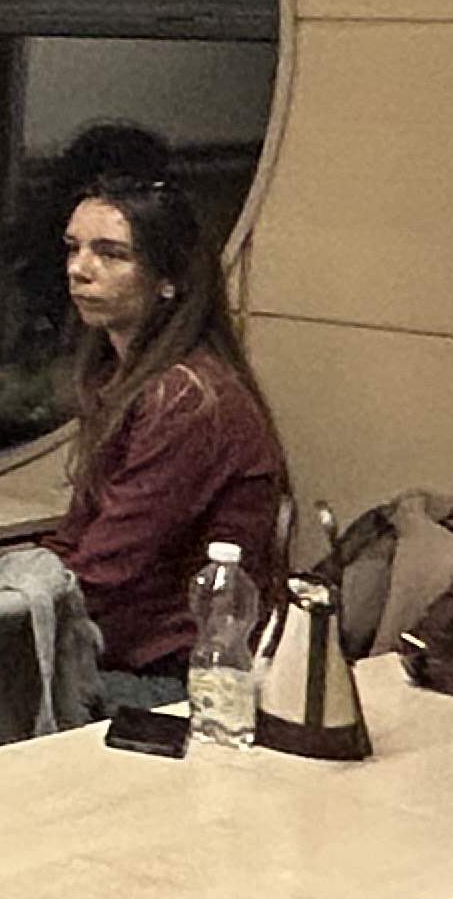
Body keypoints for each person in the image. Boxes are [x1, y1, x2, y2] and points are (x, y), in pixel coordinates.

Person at [49, 180, 288, 698]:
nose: (79, 269)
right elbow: (77, 540)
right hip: (118, 654)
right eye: (73, 248)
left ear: (168, 280)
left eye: (111, 254)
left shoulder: (188, 398)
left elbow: (110, 569)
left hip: (179, 678)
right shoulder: (123, 377)